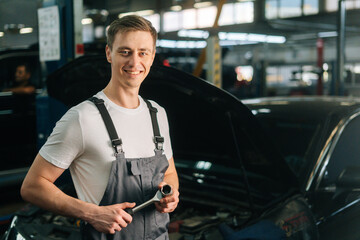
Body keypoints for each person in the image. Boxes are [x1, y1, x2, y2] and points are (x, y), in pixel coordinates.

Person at [20, 15, 179, 240]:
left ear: (152, 57)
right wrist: (91, 213)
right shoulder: (82, 118)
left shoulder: (157, 114)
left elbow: (170, 172)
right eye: (125, 52)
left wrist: (171, 194)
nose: (135, 62)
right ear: (108, 53)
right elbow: (32, 186)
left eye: (143, 52)